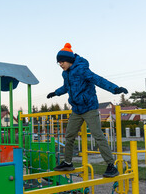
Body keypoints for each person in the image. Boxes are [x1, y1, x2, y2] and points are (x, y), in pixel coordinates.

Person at [47, 43, 128, 177]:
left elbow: (98, 80)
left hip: (89, 108)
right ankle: (67, 163)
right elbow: (66, 87)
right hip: (76, 109)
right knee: (69, 136)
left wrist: (115, 89)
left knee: (98, 136)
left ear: (69, 60)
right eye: (59, 63)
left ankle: (111, 166)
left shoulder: (82, 69)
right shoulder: (65, 73)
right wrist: (55, 93)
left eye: (62, 62)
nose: (60, 64)